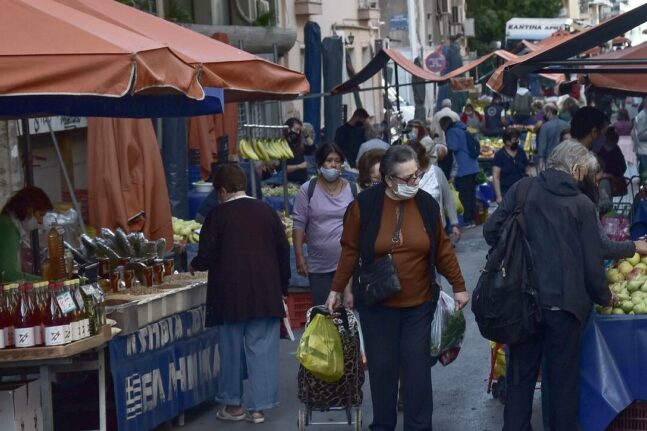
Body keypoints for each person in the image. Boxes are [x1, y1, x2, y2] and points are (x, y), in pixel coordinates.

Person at [325, 145, 468, 431]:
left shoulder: (426, 204)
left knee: (417, 373)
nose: (415, 182)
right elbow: (350, 249)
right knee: (382, 372)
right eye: (408, 178)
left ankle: (419, 427)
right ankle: (383, 426)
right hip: (378, 307)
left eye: (417, 175)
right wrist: (337, 289)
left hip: (418, 305)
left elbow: (442, 249)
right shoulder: (364, 206)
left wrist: (459, 286)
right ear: (389, 180)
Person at [483, 141, 615, 431]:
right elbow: (593, 264)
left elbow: (490, 230)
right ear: (576, 169)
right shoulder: (581, 205)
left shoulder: (522, 189)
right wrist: (604, 296)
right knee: (562, 384)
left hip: (521, 303)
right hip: (564, 307)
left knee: (520, 378)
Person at [190, 164, 290, 425]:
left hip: (229, 295)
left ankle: (233, 406)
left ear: (222, 190)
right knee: (263, 350)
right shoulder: (268, 212)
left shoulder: (217, 215)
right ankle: (259, 409)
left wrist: (194, 265)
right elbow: (283, 252)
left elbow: (206, 255)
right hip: (266, 292)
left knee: (231, 350)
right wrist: (284, 287)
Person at [292, 143, 356, 306]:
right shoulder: (308, 190)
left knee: (345, 319)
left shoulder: (352, 189)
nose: (333, 165)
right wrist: (299, 255)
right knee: (324, 315)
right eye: (329, 160)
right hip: (319, 267)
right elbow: (298, 223)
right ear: (320, 163)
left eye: (337, 161)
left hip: (347, 264)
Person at [408, 140, 461, 242]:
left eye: (414, 158)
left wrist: (455, 224)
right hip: (414, 231)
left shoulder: (436, 172)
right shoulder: (403, 177)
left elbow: (448, 199)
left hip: (438, 228)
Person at [0, 187, 52, 282]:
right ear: (29, 209)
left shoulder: (7, 223)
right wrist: (45, 281)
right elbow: (8, 274)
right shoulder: (8, 228)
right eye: (40, 214)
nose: (40, 221)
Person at [440, 116, 480, 227]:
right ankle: (472, 219)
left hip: (463, 167)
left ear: (444, 125)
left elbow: (453, 148)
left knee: (464, 194)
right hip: (473, 165)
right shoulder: (462, 129)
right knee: (471, 193)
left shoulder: (451, 132)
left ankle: (467, 219)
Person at [493, 128, 529, 203]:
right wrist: (499, 196)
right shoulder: (499, 155)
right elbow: (496, 177)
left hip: (521, 190)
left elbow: (526, 170)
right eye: (514, 140)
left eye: (517, 139)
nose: (516, 142)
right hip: (506, 191)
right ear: (507, 142)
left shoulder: (521, 152)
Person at [596, 127, 627, 200]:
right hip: (616, 181)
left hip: (608, 181)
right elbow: (623, 167)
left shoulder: (601, 152)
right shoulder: (616, 150)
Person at [537, 103, 569, 169]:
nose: (543, 115)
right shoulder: (567, 125)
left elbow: (542, 147)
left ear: (549, 112)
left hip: (550, 160)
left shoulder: (545, 127)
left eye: (544, 113)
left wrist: (541, 162)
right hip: (565, 160)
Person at [632, 98, 647, 177]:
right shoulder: (643, 117)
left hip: (642, 151)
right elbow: (641, 135)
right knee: (645, 176)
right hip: (644, 152)